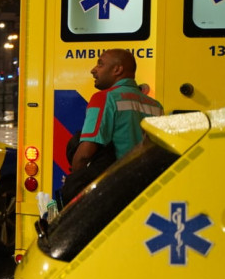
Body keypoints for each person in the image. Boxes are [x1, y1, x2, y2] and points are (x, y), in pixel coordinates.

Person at [63, 49, 163, 202]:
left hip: (116, 190)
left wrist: (74, 182)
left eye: (100, 64)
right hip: (147, 189)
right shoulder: (155, 106)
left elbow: (84, 154)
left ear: (117, 69)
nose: (93, 70)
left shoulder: (104, 99)